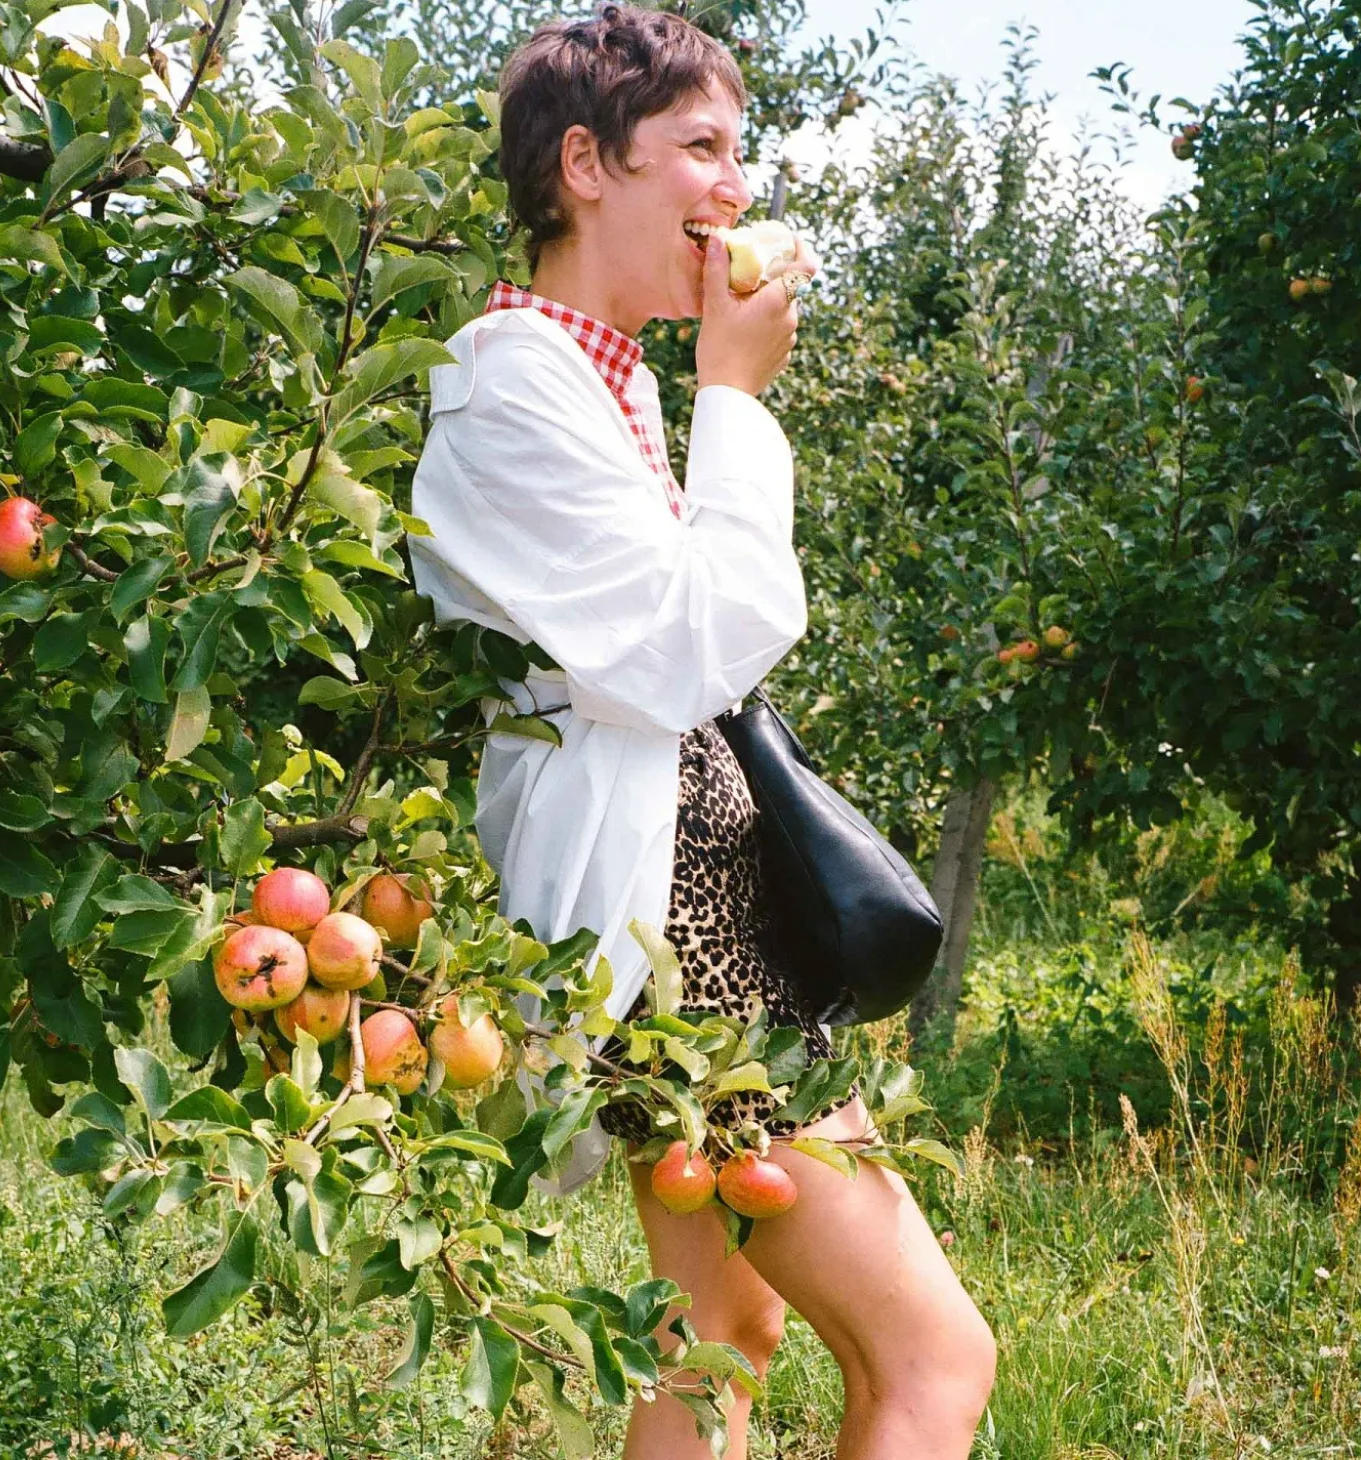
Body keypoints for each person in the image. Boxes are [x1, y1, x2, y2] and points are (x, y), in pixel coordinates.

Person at [407, 7, 997, 1457]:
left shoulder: (594, 374)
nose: (735, 187)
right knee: (933, 1360)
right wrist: (734, 395)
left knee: (722, 1333)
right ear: (584, 165)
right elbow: (690, 647)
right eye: (701, 147)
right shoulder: (508, 381)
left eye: (741, 152)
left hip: (690, 910)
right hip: (680, 941)